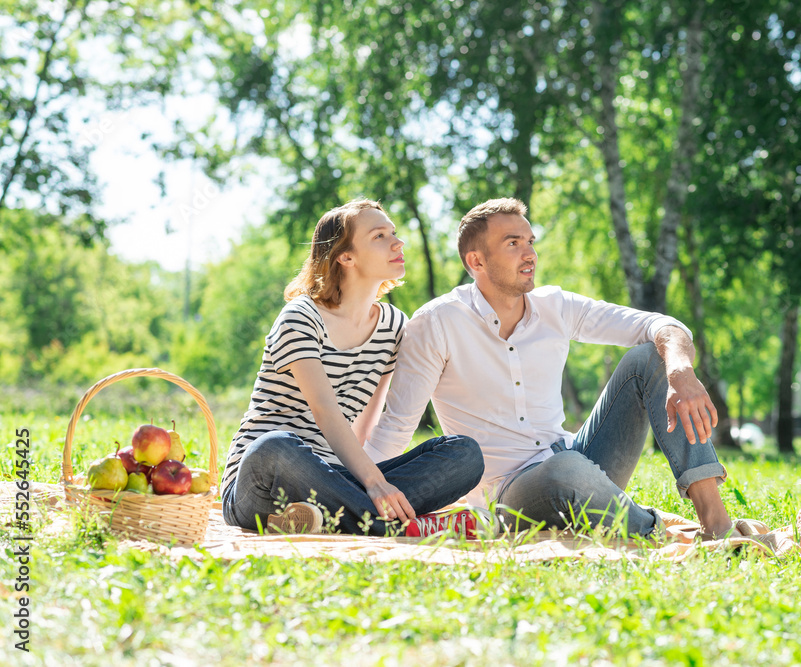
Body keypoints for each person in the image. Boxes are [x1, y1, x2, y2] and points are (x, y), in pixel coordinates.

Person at [364, 197, 740, 540]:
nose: (529, 254)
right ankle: (654, 531)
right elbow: (397, 425)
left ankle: (716, 523)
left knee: (649, 357)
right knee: (565, 471)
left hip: (576, 455)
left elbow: (662, 325)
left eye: (530, 242)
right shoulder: (437, 322)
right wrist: (363, 493)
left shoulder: (556, 306)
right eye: (513, 243)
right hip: (510, 492)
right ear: (475, 262)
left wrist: (679, 372)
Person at [221, 199, 484, 537]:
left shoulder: (392, 326)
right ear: (346, 257)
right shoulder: (301, 317)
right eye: (379, 236)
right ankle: (400, 526)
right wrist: (375, 484)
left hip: (334, 482)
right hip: (262, 483)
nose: (397, 242)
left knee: (464, 453)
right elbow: (326, 411)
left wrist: (375, 480)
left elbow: (362, 427)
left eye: (393, 233)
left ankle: (333, 517)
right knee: (276, 446)